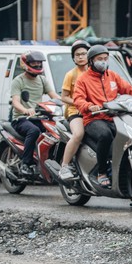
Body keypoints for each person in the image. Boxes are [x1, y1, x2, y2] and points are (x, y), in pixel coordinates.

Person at [73, 44, 132, 188]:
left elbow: (129, 89)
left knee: (129, 136)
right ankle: (102, 172)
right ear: (91, 61)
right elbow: (78, 99)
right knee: (105, 135)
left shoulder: (113, 76)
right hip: (94, 118)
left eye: (105, 58)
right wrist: (89, 106)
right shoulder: (83, 79)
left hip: (115, 117)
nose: (103, 61)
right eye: (99, 59)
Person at [9, 50, 62, 176]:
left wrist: (69, 103)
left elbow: (54, 95)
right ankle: (25, 164)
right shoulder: (18, 81)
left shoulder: (42, 80)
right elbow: (15, 102)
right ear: (26, 64)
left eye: (39, 63)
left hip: (38, 118)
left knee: (58, 131)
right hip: (21, 119)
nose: (37, 65)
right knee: (33, 131)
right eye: (34, 63)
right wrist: (25, 110)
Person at [57, 40, 90, 181]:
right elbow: (64, 97)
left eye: (84, 54)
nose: (81, 57)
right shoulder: (71, 75)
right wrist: (80, 103)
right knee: (78, 134)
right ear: (73, 58)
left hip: (93, 111)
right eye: (77, 55)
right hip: (75, 112)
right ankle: (65, 166)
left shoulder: (96, 73)